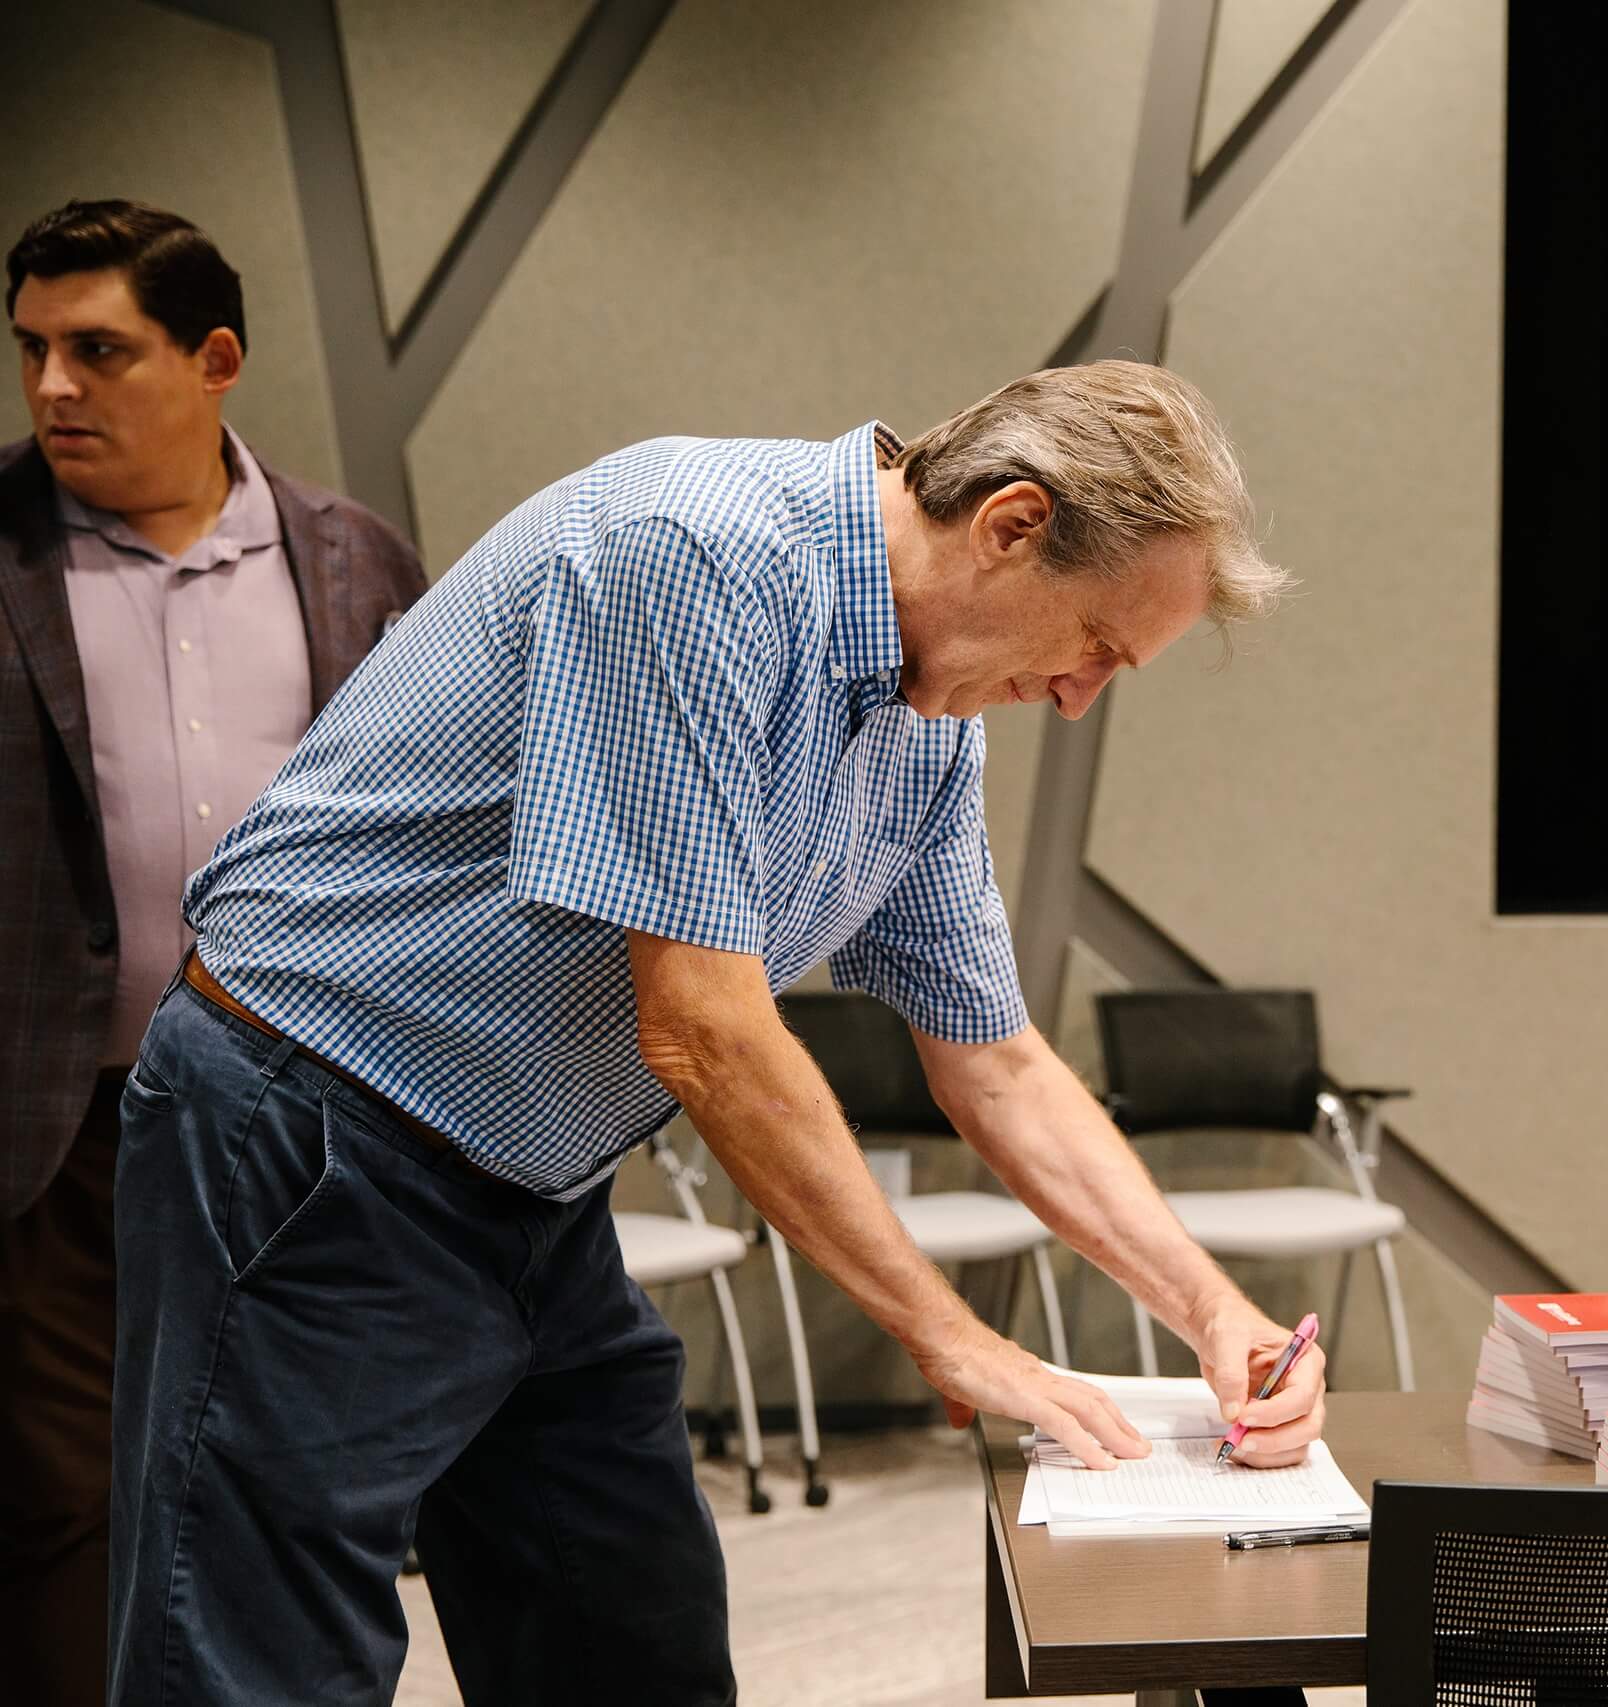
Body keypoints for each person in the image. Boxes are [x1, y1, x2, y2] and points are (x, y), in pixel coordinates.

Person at [110, 359, 1321, 1704]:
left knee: (634, 1643)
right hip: (310, 1136)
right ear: (1014, 524)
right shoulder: (689, 557)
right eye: (1096, 644)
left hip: (530, 1187)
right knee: (258, 1665)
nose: (1083, 694)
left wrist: (1214, 1312)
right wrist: (949, 1334)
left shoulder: (923, 723)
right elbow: (703, 1029)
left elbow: (998, 1059)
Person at [0, 199, 425, 1707]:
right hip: (55, 1130)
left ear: (215, 357)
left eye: (99, 351)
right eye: (34, 350)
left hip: (295, 1129)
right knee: (61, 1505)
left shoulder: (354, 559)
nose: (53, 387)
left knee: (276, 1484)